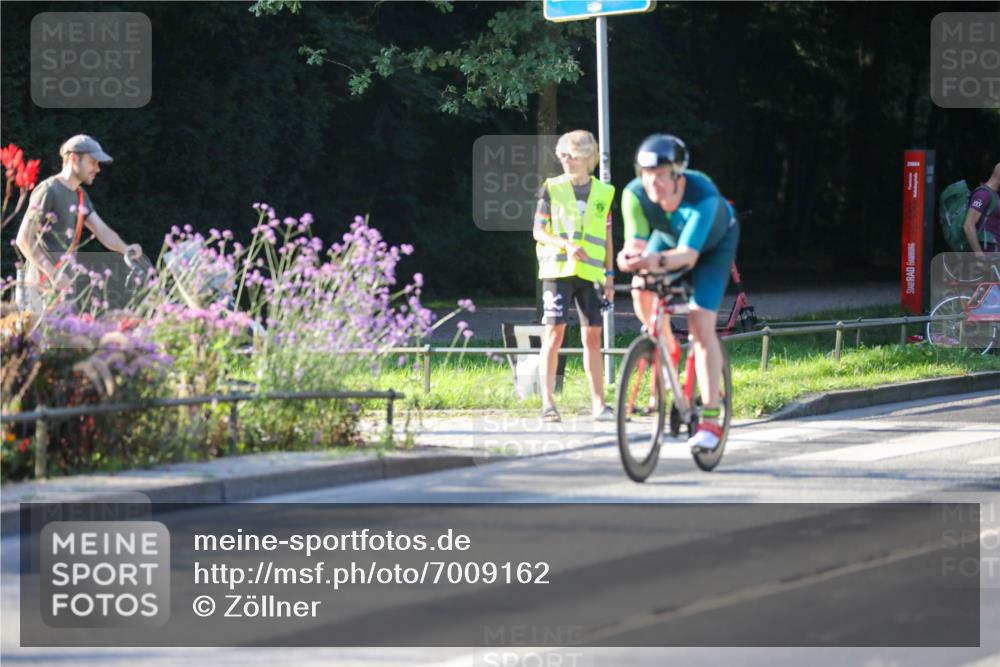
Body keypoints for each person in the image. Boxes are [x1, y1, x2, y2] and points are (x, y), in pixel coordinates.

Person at [616, 134, 739, 451]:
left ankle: (711, 419)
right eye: (646, 176)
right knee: (639, 286)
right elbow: (637, 245)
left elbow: (688, 256)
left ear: (677, 175)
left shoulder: (703, 195)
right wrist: (629, 257)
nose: (652, 183)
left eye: (660, 176)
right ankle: (666, 344)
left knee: (700, 325)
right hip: (668, 239)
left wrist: (650, 260)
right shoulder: (633, 194)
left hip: (711, 249)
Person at [533, 130, 616, 423]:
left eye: (571, 155)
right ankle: (548, 403)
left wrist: (609, 274)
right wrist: (566, 244)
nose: (565, 160)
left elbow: (606, 235)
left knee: (592, 338)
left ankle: (599, 404)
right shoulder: (551, 188)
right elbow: (538, 230)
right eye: (562, 155)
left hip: (591, 273)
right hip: (557, 271)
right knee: (554, 334)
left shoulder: (604, 192)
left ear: (587, 157)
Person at [15, 134, 142, 311]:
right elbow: (23, 239)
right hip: (41, 288)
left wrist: (125, 249)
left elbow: (102, 231)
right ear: (74, 159)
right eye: (93, 162)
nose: (98, 169)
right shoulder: (48, 190)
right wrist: (53, 273)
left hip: (63, 288)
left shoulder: (80, 195)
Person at [963, 161, 1000, 256]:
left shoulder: (994, 196)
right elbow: (968, 225)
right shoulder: (983, 194)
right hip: (986, 257)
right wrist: (980, 256)